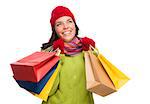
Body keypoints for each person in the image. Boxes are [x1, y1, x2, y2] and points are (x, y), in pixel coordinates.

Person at [41, 6, 96, 104]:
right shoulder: (48, 53)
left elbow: (98, 83)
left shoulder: (87, 49)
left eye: (69, 21)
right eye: (59, 24)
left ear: (75, 25)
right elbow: (49, 91)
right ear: (55, 29)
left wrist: (93, 55)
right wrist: (57, 58)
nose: (65, 26)